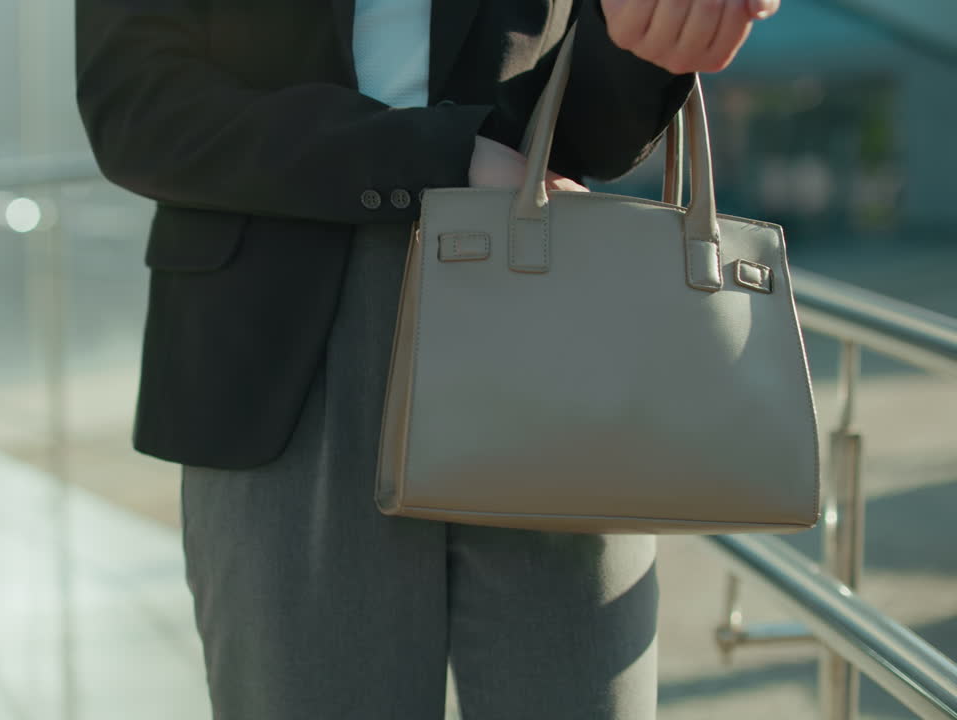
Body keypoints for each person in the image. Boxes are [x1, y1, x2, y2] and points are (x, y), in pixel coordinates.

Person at [76, 0, 778, 716]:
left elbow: (590, 128)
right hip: (281, 347)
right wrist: (436, 155)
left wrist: (650, 40)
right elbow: (135, 102)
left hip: (542, 308)